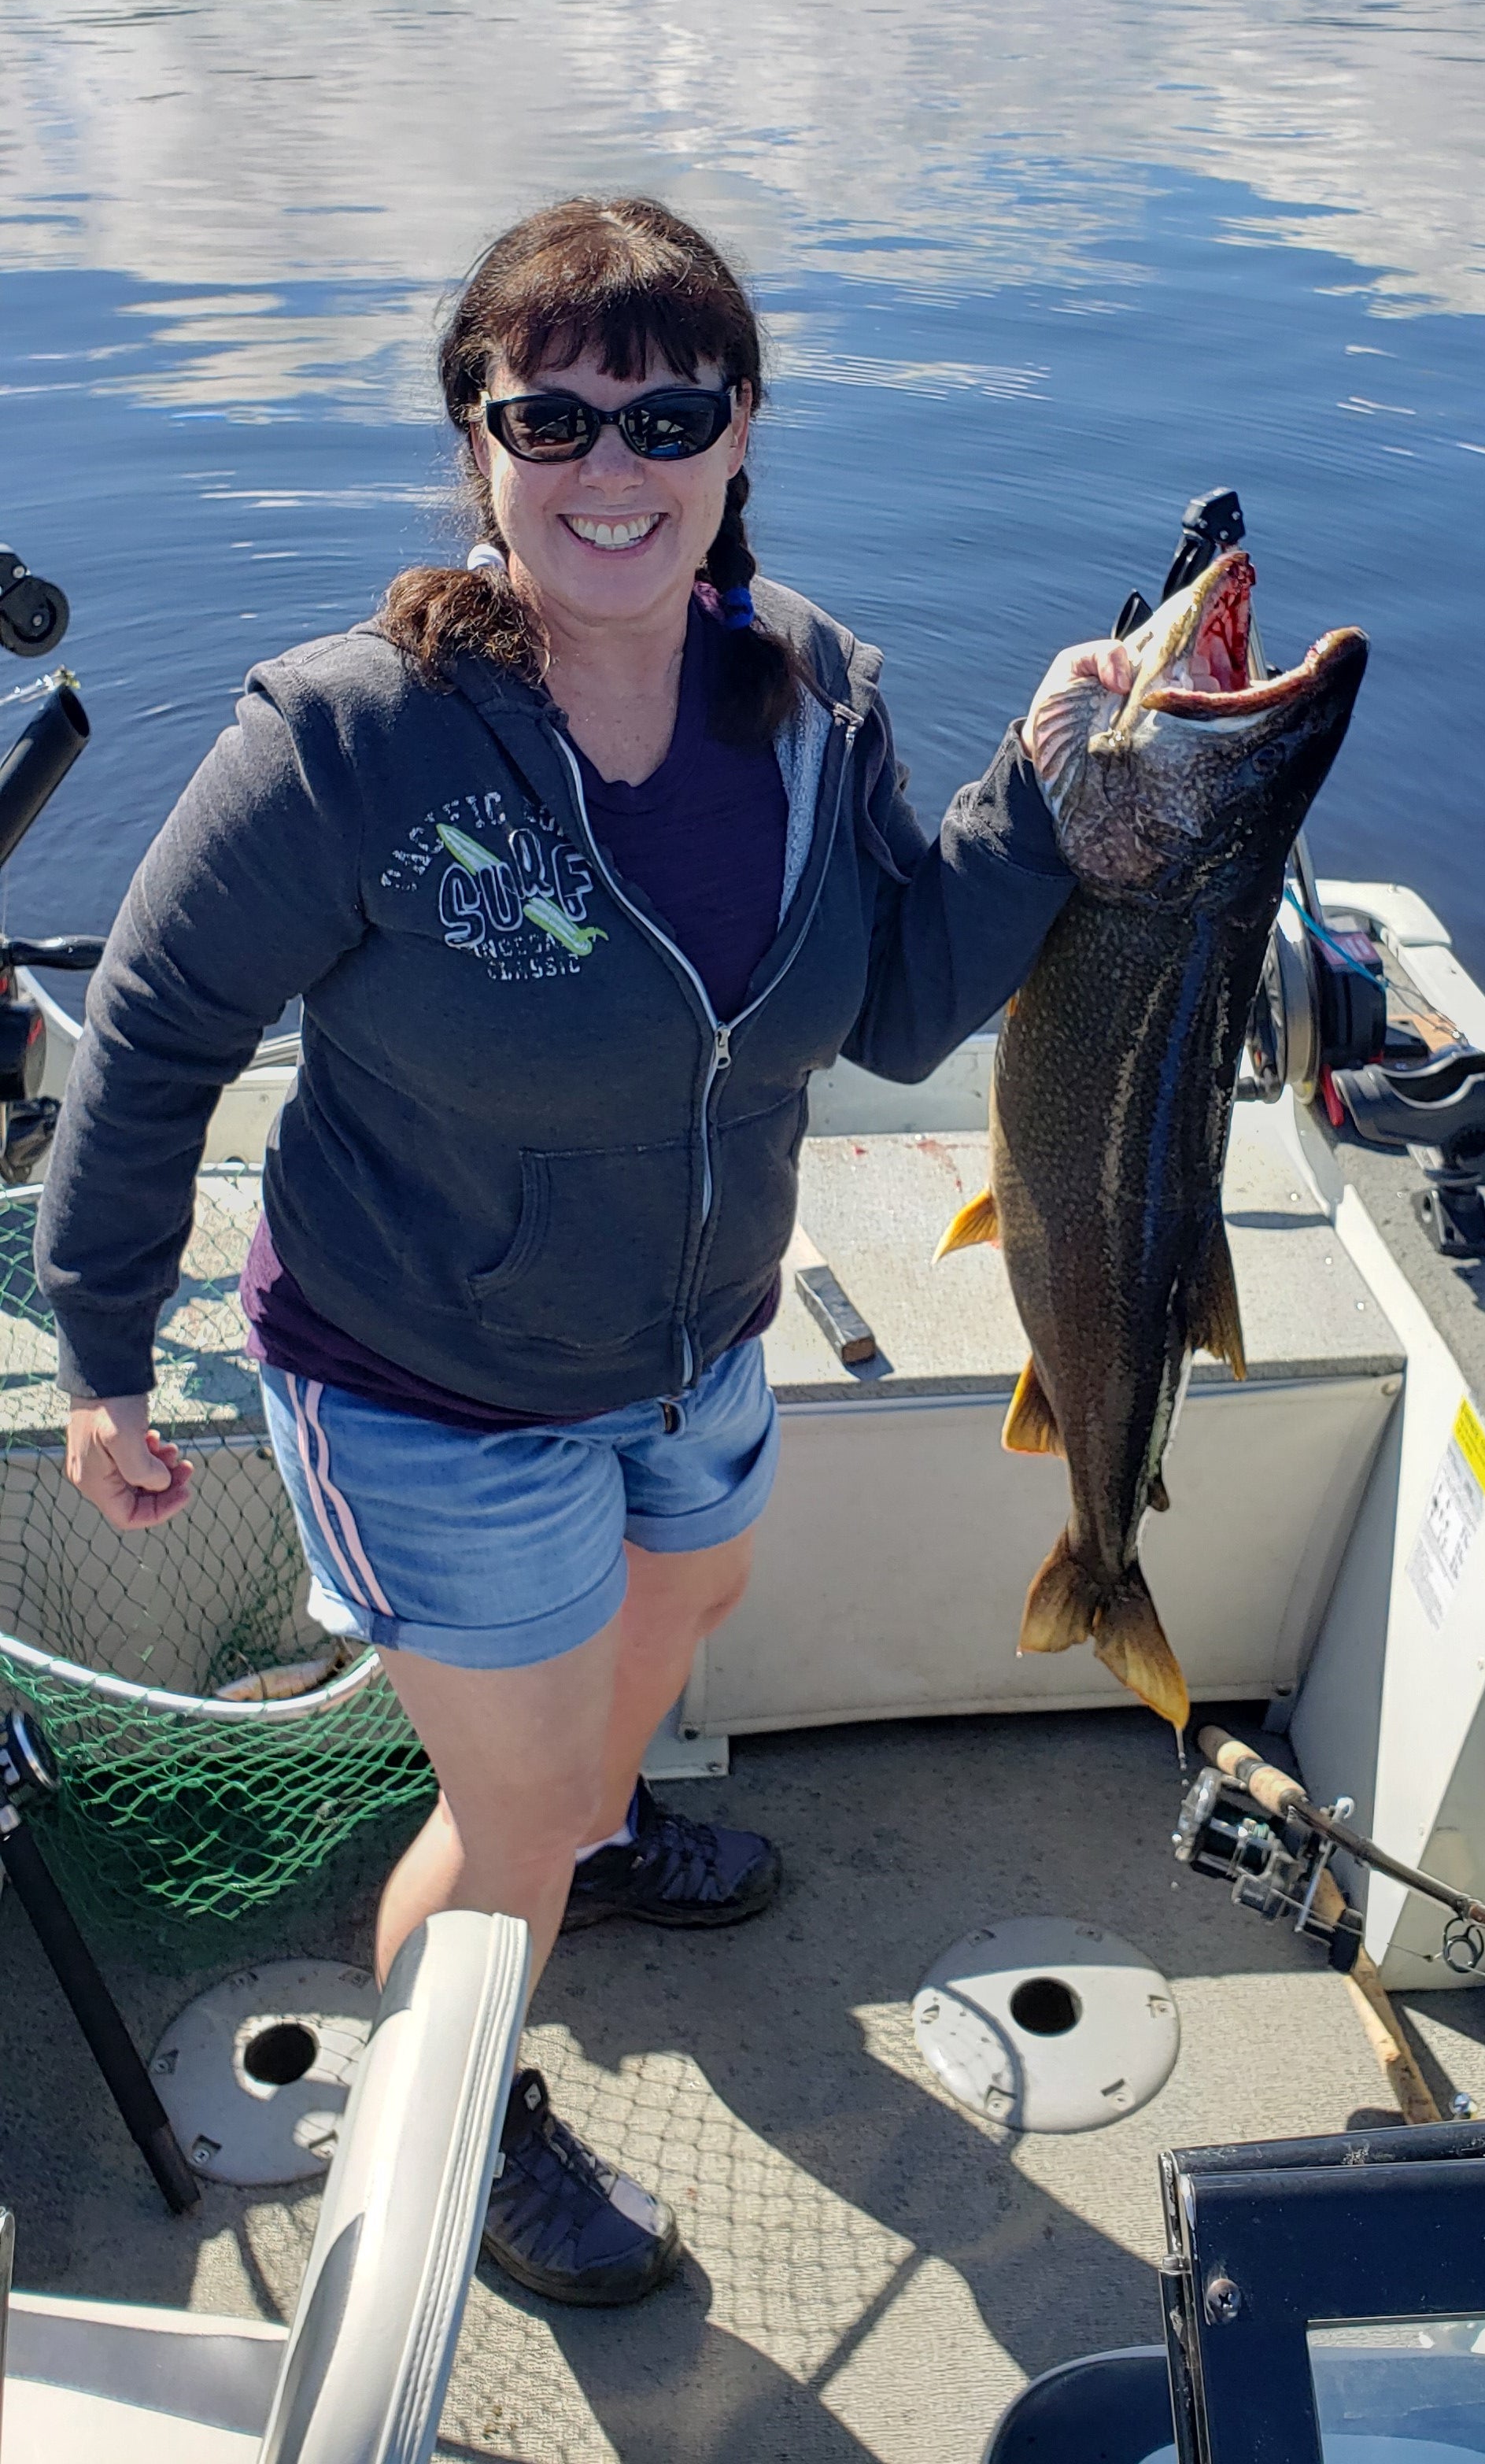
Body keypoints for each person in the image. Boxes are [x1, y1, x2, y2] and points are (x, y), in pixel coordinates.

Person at [38, 196, 1131, 2307]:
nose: (609, 471)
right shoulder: (348, 740)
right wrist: (98, 1348)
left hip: (695, 1348)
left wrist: (1049, 791)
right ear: (477, 446)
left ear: (740, 438)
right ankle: (463, 2104)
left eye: (669, 415)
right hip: (426, 1385)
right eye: (551, 418)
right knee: (510, 1818)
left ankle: (580, 1828)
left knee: (678, 1612)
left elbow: (899, 1002)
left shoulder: (811, 695)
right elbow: (162, 1032)